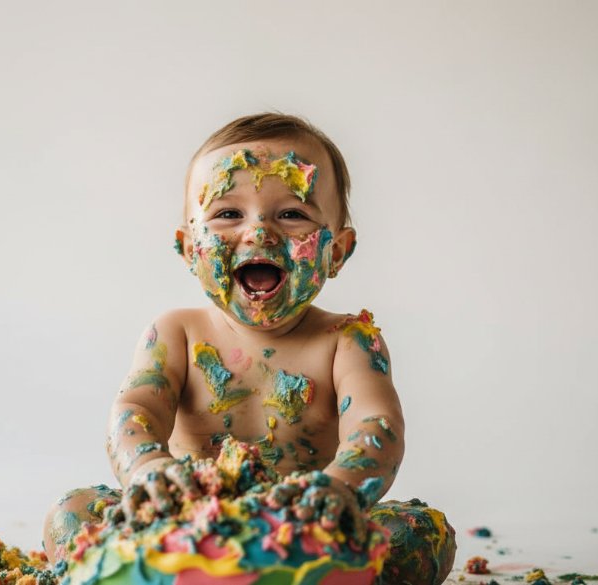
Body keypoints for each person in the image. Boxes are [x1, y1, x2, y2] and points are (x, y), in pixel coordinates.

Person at [43, 113, 456, 585]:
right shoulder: (175, 333)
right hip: (189, 521)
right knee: (72, 513)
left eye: (292, 214)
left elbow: (377, 427)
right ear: (188, 248)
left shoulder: (349, 342)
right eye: (227, 213)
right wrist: (148, 472)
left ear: (336, 251)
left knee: (420, 532)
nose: (259, 233)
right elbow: (134, 408)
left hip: (300, 526)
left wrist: (338, 492)